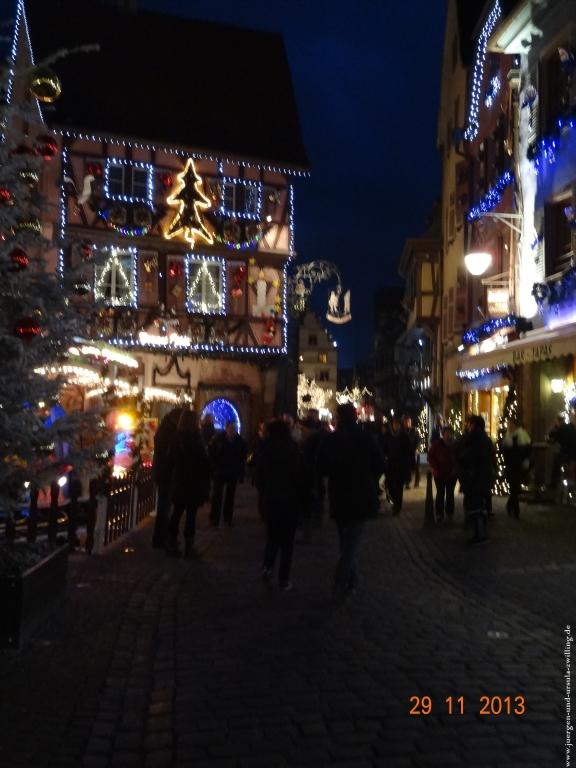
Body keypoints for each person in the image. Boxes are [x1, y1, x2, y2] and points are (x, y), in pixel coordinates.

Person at [318, 403, 384, 600]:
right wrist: (369, 477)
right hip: (361, 494)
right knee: (351, 542)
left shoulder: (332, 439)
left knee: (346, 541)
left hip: (340, 494)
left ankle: (348, 580)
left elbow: (321, 466)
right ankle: (344, 580)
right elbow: (380, 463)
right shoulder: (366, 438)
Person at [258, 419, 302, 591]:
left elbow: (260, 476)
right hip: (289, 500)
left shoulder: (266, 449)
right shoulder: (292, 449)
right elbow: (299, 476)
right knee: (287, 543)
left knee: (272, 538)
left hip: (271, 499)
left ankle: (267, 567)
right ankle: (283, 578)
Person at [166, 410, 210, 557]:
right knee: (190, 516)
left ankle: (171, 543)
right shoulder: (196, 439)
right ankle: (189, 548)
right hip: (193, 482)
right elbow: (203, 461)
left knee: (177, 513)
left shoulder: (175, 438)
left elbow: (170, 458)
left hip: (179, 480)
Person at [457, 415, 496, 544]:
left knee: (474, 506)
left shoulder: (474, 439)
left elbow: (469, 457)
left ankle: (479, 535)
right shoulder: (486, 440)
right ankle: (481, 533)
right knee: (480, 506)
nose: (467, 426)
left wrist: (461, 460)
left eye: (469, 424)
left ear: (474, 425)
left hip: (474, 478)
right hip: (483, 478)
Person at [151, 407, 182, 548]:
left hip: (162, 472)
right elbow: (169, 454)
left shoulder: (165, 429)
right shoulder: (169, 431)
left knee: (164, 507)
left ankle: (160, 537)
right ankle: (160, 538)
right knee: (164, 507)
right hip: (165, 474)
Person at [209, 420, 247, 527]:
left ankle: (227, 517)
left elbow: (242, 457)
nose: (232, 430)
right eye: (230, 428)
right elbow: (212, 452)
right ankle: (214, 518)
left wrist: (241, 472)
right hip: (220, 471)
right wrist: (214, 466)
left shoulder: (240, 441)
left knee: (230, 496)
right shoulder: (218, 439)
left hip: (232, 471)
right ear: (226, 428)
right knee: (217, 495)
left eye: (234, 429)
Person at [381, 416, 414, 514]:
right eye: (394, 424)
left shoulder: (404, 436)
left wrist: (411, 464)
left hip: (401, 466)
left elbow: (409, 451)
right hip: (390, 466)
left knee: (399, 487)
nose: (395, 426)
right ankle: (394, 502)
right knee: (390, 486)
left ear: (400, 426)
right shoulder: (388, 436)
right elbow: (384, 449)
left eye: (397, 424)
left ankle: (397, 507)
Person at [502, 417, 532, 518]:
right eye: (508, 424)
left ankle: (515, 509)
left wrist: (525, 461)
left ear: (515, 425)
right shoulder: (508, 435)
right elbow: (505, 451)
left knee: (514, 487)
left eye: (510, 424)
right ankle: (511, 506)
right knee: (514, 487)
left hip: (518, 465)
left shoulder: (521, 434)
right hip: (510, 465)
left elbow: (526, 450)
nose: (509, 426)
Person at [427, 425, 457, 521]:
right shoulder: (437, 445)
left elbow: (459, 457)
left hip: (451, 474)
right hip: (439, 473)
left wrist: (455, 468)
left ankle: (449, 513)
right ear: (443, 435)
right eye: (446, 434)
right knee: (440, 493)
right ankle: (439, 514)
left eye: (450, 434)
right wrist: (436, 467)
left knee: (450, 494)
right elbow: (430, 457)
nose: (448, 436)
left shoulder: (455, 445)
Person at [402, 415, 418, 489]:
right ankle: (406, 482)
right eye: (406, 422)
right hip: (404, 452)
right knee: (405, 468)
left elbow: (417, 440)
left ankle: (412, 481)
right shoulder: (402, 431)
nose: (407, 423)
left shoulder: (414, 430)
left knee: (411, 467)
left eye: (409, 422)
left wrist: (416, 448)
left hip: (412, 450)